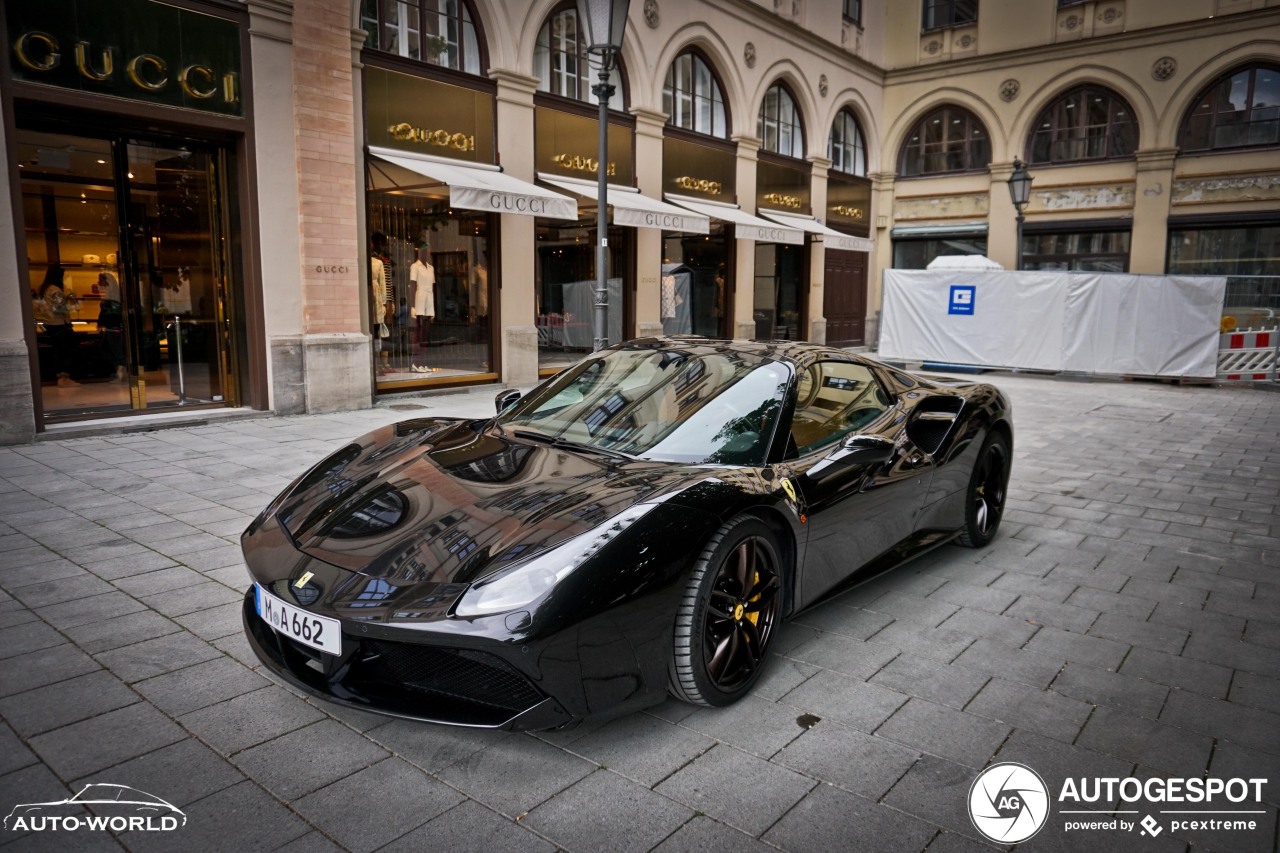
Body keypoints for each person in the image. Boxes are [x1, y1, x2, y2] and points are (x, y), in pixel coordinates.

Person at [36, 265, 79, 387]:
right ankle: (64, 377)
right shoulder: (56, 290)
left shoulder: (43, 288)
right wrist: (72, 302)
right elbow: (61, 308)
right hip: (60, 324)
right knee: (69, 350)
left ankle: (59, 376)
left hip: (48, 324)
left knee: (57, 351)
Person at [97, 271, 127, 382]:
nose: (99, 283)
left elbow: (108, 313)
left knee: (112, 350)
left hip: (114, 328)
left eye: (101, 280)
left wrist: (101, 323)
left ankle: (121, 371)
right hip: (112, 327)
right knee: (109, 350)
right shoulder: (111, 295)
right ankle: (120, 370)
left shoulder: (112, 298)